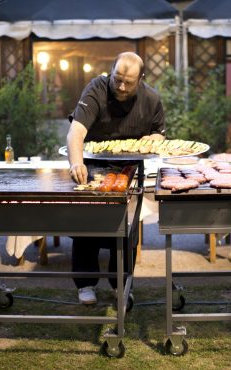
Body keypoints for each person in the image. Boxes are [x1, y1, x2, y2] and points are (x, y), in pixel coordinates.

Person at [67, 52, 165, 304]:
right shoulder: (96, 89)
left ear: (140, 79)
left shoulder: (152, 98)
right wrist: (76, 162)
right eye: (117, 79)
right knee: (86, 227)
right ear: (110, 71)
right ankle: (85, 284)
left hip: (131, 169)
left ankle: (121, 284)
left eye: (128, 82)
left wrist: (153, 140)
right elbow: (76, 132)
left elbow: (159, 133)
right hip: (93, 167)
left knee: (126, 230)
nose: (121, 86)